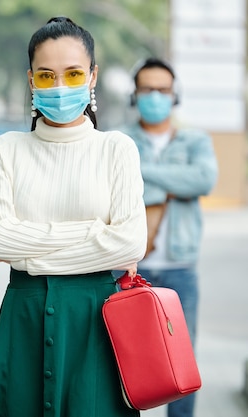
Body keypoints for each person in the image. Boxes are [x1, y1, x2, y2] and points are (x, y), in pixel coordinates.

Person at [0, 17, 147, 417]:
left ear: (92, 76)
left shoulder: (116, 149)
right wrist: (95, 233)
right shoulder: (6, 149)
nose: (59, 86)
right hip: (25, 316)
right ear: (31, 79)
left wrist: (27, 254)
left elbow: (130, 243)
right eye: (46, 75)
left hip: (98, 319)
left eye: (72, 74)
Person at [120, 57, 218, 417]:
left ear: (175, 95)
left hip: (180, 267)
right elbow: (112, 188)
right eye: (147, 89)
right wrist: (176, 182)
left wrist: (143, 177)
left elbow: (204, 180)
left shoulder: (195, 139)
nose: (155, 96)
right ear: (135, 95)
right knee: (126, 361)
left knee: (180, 362)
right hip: (129, 267)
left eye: (163, 89)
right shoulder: (119, 139)